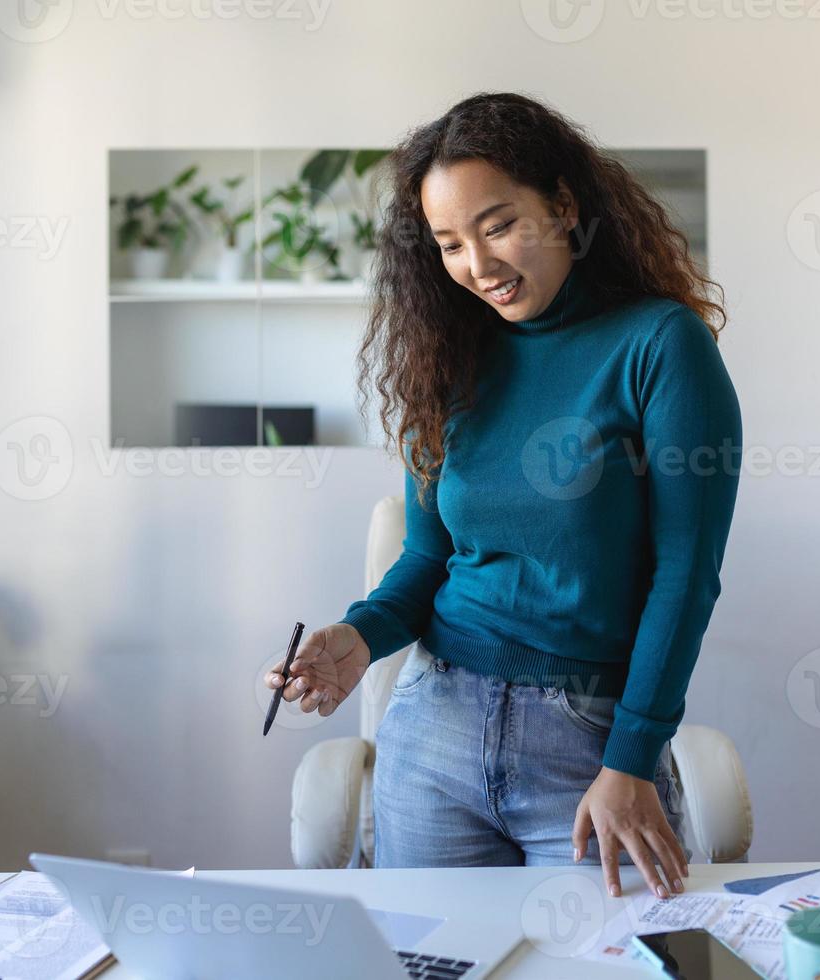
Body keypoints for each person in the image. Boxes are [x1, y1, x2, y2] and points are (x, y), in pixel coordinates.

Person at [265, 91, 741, 901]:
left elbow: (684, 575)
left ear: (563, 204)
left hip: (588, 744)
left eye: (497, 225)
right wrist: (357, 637)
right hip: (432, 735)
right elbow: (427, 558)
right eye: (449, 243)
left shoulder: (660, 345)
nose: (476, 266)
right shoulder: (449, 355)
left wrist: (631, 760)